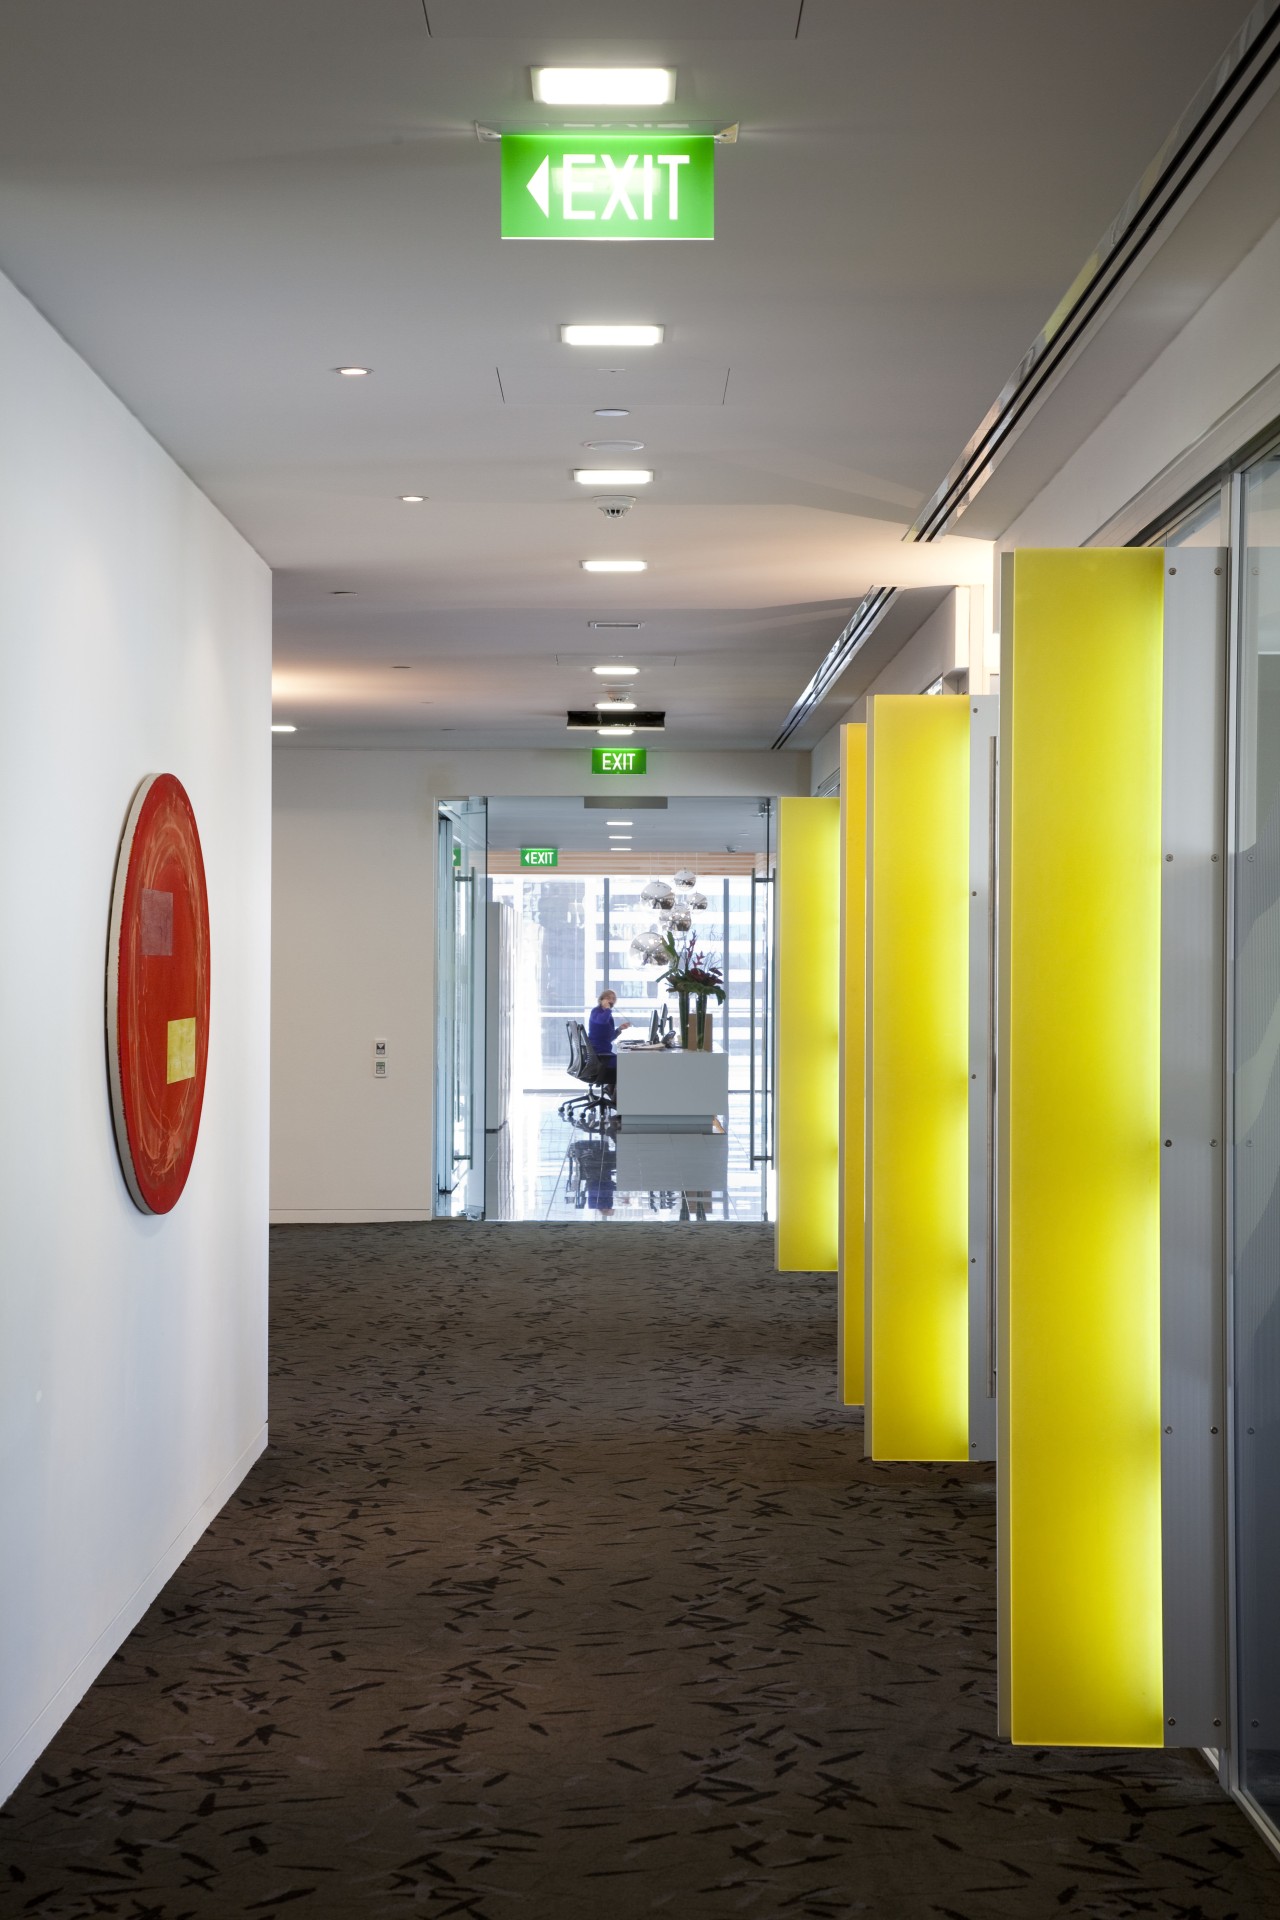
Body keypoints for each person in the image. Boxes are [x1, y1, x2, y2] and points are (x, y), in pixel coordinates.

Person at [586, 989, 629, 1087]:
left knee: (625, 1062)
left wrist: (619, 1029)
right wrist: (607, 1009)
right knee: (626, 1063)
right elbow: (601, 1021)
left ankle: (612, 1092)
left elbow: (608, 1038)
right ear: (602, 999)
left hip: (604, 1053)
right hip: (599, 1055)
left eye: (613, 998)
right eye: (608, 998)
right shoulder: (596, 1011)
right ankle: (615, 1095)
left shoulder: (607, 1014)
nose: (611, 1000)